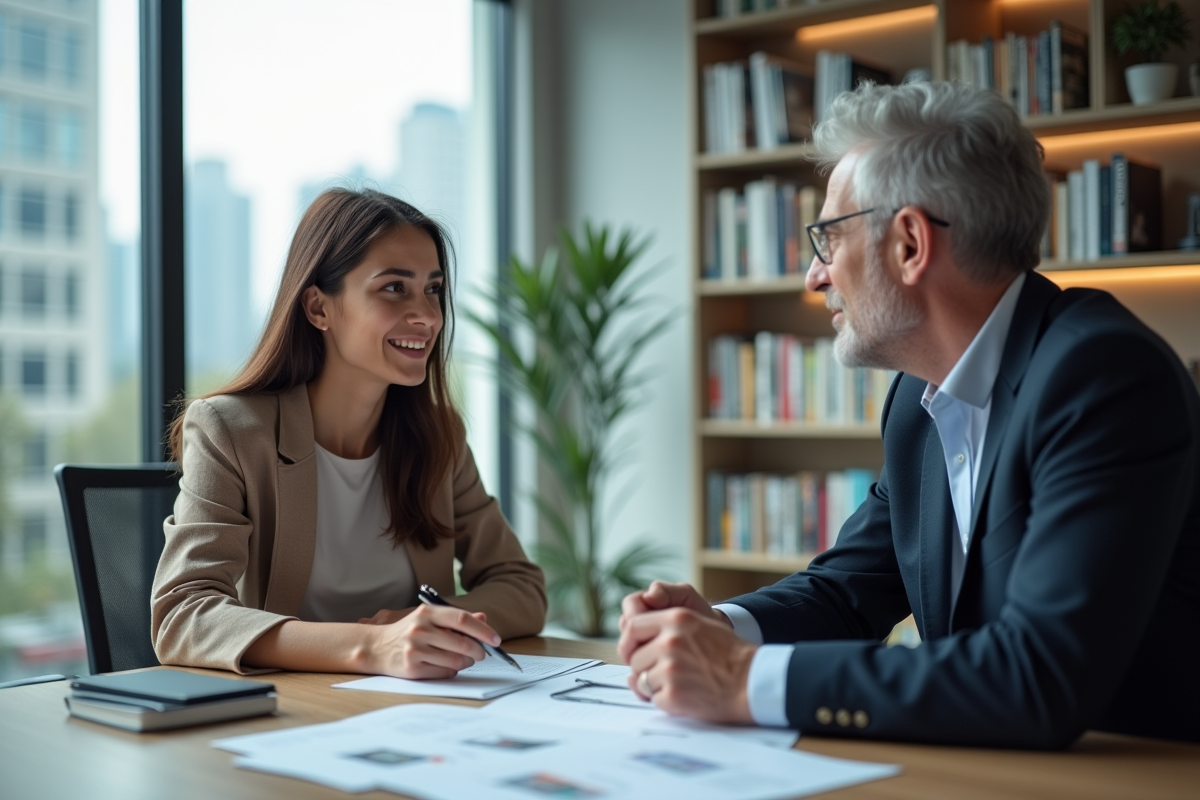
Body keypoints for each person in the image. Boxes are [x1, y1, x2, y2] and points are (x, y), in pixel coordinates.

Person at [618, 81, 1200, 748]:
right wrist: (723, 626)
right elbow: (850, 589)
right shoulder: (917, 401)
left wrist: (743, 680)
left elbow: (1038, 675)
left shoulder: (1102, 376)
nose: (814, 277)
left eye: (827, 240)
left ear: (910, 244)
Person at [152, 189, 546, 678]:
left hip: (418, 709)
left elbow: (521, 587)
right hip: (293, 712)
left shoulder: (438, 434)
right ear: (319, 308)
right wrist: (372, 646)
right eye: (394, 288)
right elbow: (182, 614)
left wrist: (418, 624)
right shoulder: (232, 430)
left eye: (433, 289)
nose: (427, 315)